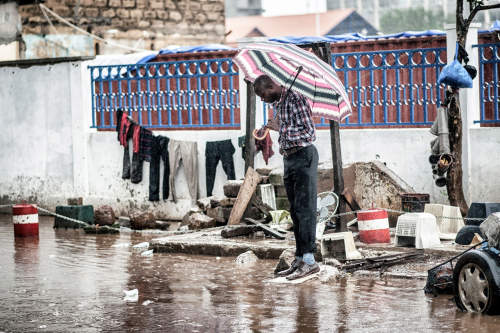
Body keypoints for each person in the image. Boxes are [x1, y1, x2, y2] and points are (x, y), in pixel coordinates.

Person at [253, 74, 319, 280]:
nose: (263, 100)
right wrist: (277, 127)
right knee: (295, 211)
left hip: (304, 156)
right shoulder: (280, 103)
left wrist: (280, 127)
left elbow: (309, 133)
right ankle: (299, 258)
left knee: (305, 209)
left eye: (263, 95)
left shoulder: (297, 98)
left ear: (271, 86)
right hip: (289, 158)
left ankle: (310, 261)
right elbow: (290, 132)